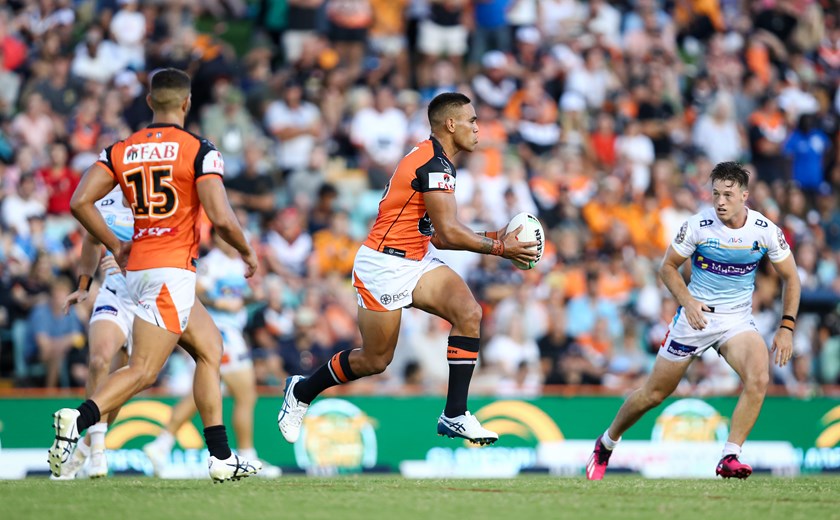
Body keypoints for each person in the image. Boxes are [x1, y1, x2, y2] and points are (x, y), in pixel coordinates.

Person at [277, 92, 539, 445]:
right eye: (472, 121)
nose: (478, 128)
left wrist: (497, 238)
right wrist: (500, 247)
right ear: (450, 124)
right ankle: (302, 391)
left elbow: (442, 236)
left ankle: (455, 414)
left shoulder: (438, 160)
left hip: (415, 258)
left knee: (469, 313)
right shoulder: (434, 165)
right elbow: (447, 233)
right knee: (374, 360)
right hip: (383, 264)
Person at [49, 68, 262, 482]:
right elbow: (219, 215)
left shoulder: (121, 150)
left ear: (149, 102)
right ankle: (76, 420)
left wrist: (115, 244)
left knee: (210, 348)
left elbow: (79, 202)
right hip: (172, 269)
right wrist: (246, 250)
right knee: (144, 370)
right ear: (186, 103)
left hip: (139, 266)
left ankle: (220, 458)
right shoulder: (199, 150)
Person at [586, 162, 801, 481]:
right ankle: (606, 442)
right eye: (715, 194)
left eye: (728, 194)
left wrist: (786, 327)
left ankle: (730, 455)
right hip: (694, 319)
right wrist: (688, 302)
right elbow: (667, 267)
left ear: (745, 195)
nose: (720, 201)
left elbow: (791, 278)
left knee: (758, 377)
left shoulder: (765, 230)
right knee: (653, 394)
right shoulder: (698, 225)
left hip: (736, 322)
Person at [142, 230, 281, 478]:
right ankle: (248, 453)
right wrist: (220, 304)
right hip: (219, 332)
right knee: (245, 394)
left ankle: (161, 445)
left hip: (229, 331)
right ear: (217, 238)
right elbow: (197, 292)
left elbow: (236, 299)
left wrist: (251, 299)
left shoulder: (237, 264)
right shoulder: (210, 263)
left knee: (205, 394)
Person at [54, 186, 135, 479]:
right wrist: (84, 285)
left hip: (147, 299)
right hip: (113, 295)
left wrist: (132, 261)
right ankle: (99, 448)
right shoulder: (106, 200)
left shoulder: (156, 200)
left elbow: (167, 249)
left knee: (125, 381)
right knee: (99, 360)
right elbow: (91, 238)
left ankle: (84, 449)